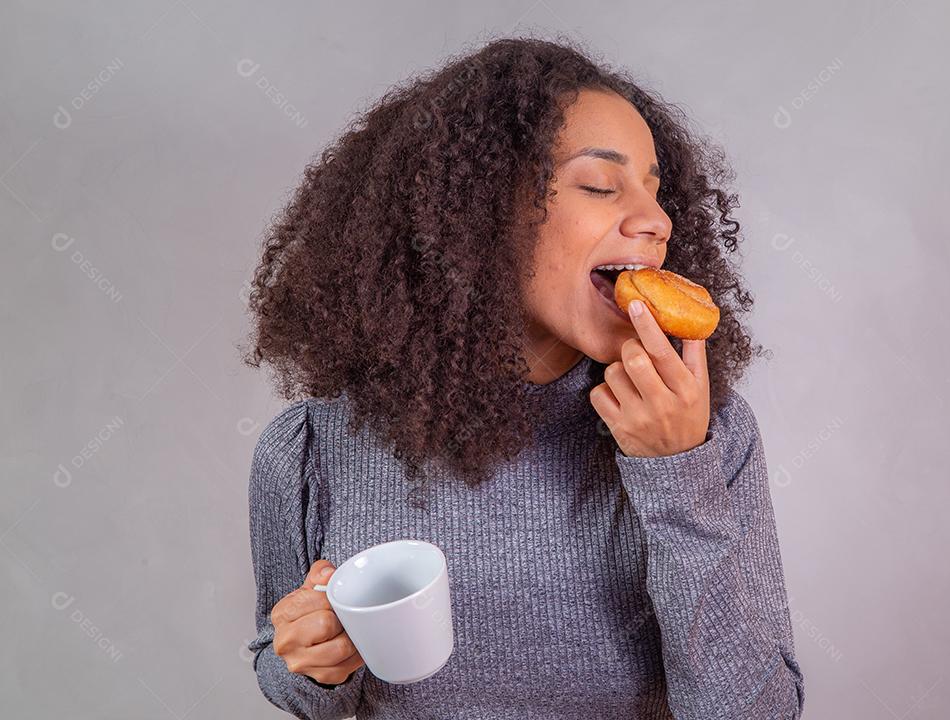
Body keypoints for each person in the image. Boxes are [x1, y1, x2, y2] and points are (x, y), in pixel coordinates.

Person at [243, 34, 804, 719]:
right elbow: (292, 678)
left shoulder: (710, 435)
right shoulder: (310, 451)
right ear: (478, 215)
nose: (657, 221)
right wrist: (309, 664)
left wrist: (677, 471)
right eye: (600, 185)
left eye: (657, 193)